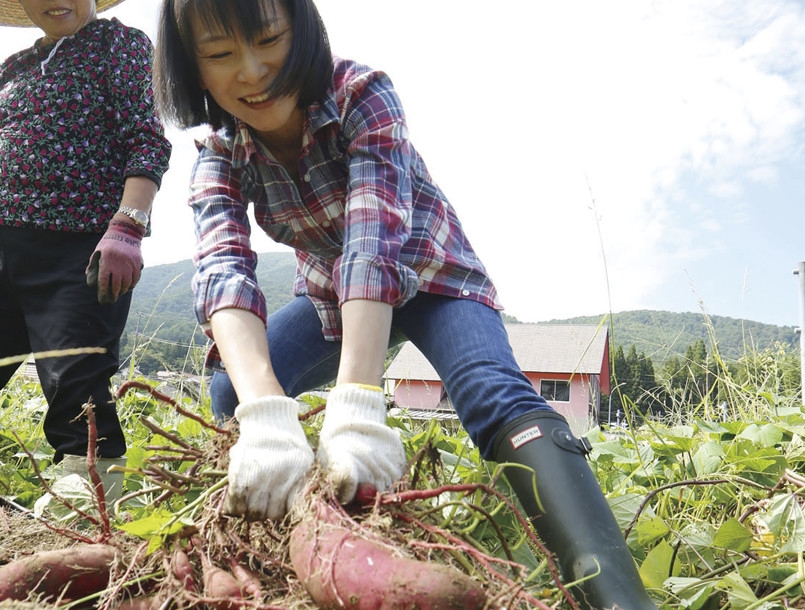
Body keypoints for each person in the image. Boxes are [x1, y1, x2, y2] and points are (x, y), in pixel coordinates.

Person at [153, 0, 655, 607]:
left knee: (493, 393)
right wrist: (265, 414)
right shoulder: (219, 155)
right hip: (334, 302)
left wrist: (358, 407)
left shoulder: (361, 94)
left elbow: (372, 244)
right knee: (234, 395)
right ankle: (292, 515)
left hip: (436, 280)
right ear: (193, 70)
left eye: (268, 40)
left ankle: (618, 599)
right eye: (220, 55)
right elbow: (224, 273)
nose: (253, 71)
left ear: (302, 29)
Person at [0, 0, 172, 505]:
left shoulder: (120, 46)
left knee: (76, 386)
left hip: (83, 247)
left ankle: (87, 496)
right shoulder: (10, 71)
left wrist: (128, 226)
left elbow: (146, 140)